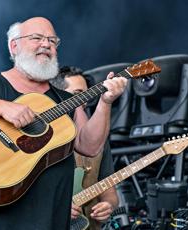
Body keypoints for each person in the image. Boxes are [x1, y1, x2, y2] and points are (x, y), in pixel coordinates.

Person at [0, 17, 127, 230]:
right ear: (14, 46)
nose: (46, 44)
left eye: (52, 41)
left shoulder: (66, 100)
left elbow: (90, 145)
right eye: (36, 38)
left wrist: (105, 103)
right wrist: (5, 108)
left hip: (45, 218)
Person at [51, 66, 119, 230]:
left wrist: (109, 205)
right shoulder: (41, 136)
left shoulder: (98, 137)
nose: (85, 100)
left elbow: (109, 189)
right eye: (77, 94)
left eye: (87, 94)